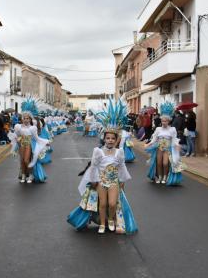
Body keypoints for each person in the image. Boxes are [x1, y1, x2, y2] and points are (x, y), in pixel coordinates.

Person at [67, 99, 137, 234]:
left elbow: (122, 167)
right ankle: (103, 224)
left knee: (112, 204)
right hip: (100, 181)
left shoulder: (119, 152)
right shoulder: (98, 151)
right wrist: (93, 180)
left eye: (112, 138)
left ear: (116, 139)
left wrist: (122, 181)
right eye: (108, 138)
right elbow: (93, 167)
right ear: (104, 139)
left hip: (113, 181)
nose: (110, 140)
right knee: (103, 204)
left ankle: (111, 220)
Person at [8, 97, 49, 183]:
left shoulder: (33, 128)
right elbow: (16, 135)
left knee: (27, 160)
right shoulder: (18, 127)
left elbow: (36, 138)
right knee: (22, 161)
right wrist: (16, 139)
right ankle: (23, 175)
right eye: (24, 118)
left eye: (27, 118)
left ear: (30, 119)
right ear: (22, 119)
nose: (26, 120)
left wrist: (44, 142)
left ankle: (30, 175)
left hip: (29, 144)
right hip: (21, 144)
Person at [145, 101, 183, 185]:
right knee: (158, 163)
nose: (164, 122)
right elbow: (154, 139)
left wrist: (177, 145)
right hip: (159, 148)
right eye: (162, 121)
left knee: (165, 163)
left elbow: (174, 139)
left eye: (165, 121)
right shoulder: (158, 129)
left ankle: (165, 176)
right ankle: (159, 176)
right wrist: (148, 144)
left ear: (169, 121)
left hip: (167, 149)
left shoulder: (172, 129)